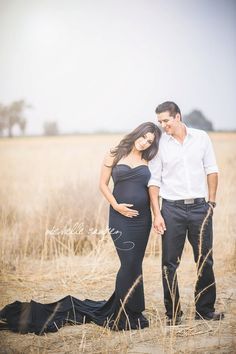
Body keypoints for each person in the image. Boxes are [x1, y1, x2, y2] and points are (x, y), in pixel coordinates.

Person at [0, 122, 161, 334]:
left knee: (135, 264)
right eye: (143, 137)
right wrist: (116, 205)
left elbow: (153, 190)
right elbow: (102, 184)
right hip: (119, 219)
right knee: (128, 263)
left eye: (150, 141)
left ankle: (133, 312)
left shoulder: (150, 161)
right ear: (137, 133)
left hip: (142, 221)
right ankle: (123, 313)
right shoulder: (115, 154)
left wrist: (157, 214)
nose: (144, 143)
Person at [148, 101, 224, 326]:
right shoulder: (160, 145)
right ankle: (173, 314)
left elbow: (211, 169)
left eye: (166, 121)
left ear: (178, 117)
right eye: (159, 122)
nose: (163, 126)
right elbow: (154, 181)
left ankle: (205, 310)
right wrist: (157, 213)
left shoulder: (201, 138)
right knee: (169, 264)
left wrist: (211, 203)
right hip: (171, 209)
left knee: (205, 260)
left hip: (201, 208)